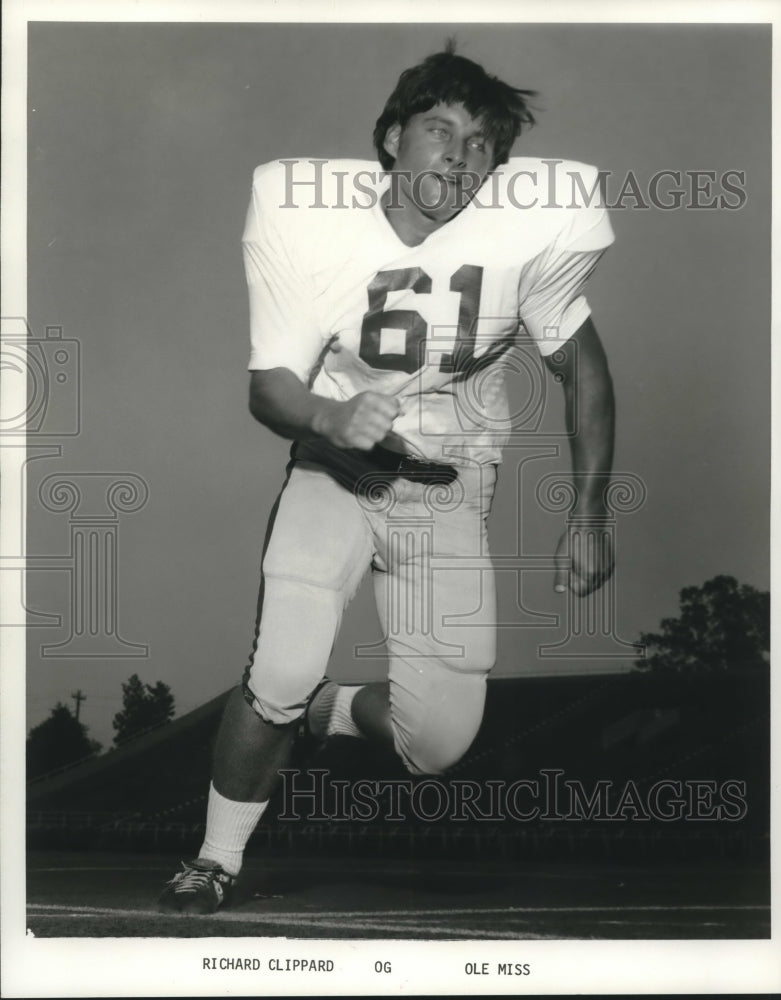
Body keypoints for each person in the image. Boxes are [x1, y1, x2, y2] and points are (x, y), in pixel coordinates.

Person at [159, 41, 616, 914]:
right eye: (438, 129)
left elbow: (587, 371)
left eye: (481, 143)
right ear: (389, 140)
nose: (458, 153)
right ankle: (215, 860)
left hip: (448, 494)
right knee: (282, 668)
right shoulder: (311, 226)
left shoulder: (523, 244)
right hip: (335, 474)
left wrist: (589, 511)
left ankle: (331, 711)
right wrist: (331, 417)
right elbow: (271, 386)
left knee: (437, 744)